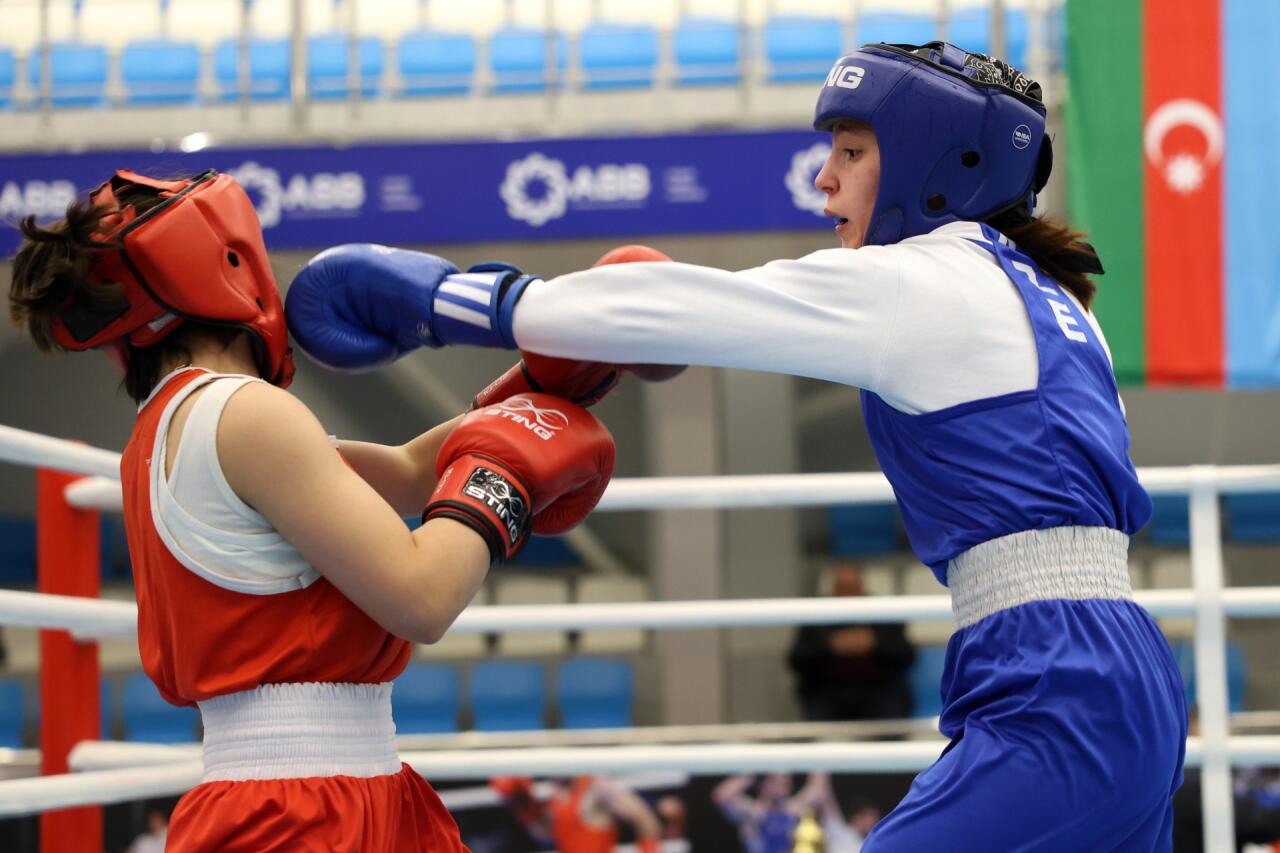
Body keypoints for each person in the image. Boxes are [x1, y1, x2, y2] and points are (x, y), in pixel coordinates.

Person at [285, 40, 1188, 851]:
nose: (823, 181)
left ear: (931, 163)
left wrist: (454, 301)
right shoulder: (1055, 302)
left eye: (851, 151)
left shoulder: (927, 283)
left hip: (1055, 679)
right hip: (1113, 670)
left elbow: (695, 305)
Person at [6, 169, 617, 850]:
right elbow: (422, 595)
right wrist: (506, 471)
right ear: (228, 261)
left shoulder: (172, 428)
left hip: (330, 791)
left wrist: (545, 391)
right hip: (302, 809)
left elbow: (413, 474)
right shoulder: (246, 414)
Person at [787, 563, 915, 721]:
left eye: (852, 587)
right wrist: (829, 646)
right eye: (842, 588)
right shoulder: (815, 616)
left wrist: (875, 644)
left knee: (892, 708)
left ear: (862, 588)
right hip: (828, 689)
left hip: (878, 689)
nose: (847, 594)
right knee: (818, 710)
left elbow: (907, 656)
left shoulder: (884, 613)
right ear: (832, 590)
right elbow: (797, 660)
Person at [492, 775, 663, 853]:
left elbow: (645, 819)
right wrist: (525, 805)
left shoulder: (599, 786)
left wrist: (649, 850)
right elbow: (550, 834)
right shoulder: (558, 793)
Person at [712, 772, 827, 853]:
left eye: (785, 780)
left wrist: (817, 754)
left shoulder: (794, 810)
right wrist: (752, 774)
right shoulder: (752, 812)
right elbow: (722, 795)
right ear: (763, 783)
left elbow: (818, 789)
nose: (782, 783)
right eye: (775, 780)